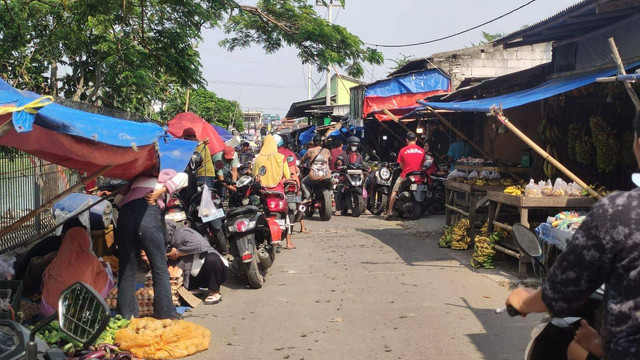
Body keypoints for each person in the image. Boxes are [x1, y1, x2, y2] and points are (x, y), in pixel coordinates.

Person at [506, 111, 640, 360]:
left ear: (637, 143)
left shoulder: (619, 212)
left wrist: (523, 301)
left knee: (572, 349)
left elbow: (563, 290)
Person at [115, 170, 188, 319]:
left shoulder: (135, 179)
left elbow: (117, 200)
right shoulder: (166, 173)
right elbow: (184, 177)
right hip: (147, 213)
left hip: (125, 218)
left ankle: (127, 316)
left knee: (127, 269)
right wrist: (159, 192)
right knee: (159, 267)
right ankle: (166, 313)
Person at [41, 223, 114, 316]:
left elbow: (44, 279)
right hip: (76, 313)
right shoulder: (90, 259)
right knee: (103, 275)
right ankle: (98, 298)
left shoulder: (57, 259)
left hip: (49, 311)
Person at [165, 222, 228, 305]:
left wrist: (177, 253)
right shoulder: (167, 242)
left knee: (212, 259)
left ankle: (215, 292)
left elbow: (198, 245)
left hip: (215, 269)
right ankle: (194, 288)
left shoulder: (183, 233)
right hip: (195, 271)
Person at [253, 135, 295, 250]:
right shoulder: (281, 157)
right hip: (279, 191)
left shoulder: (258, 159)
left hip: (263, 192)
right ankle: (289, 241)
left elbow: (254, 176)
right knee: (288, 212)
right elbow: (287, 175)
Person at [386, 132, 425, 220]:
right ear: (416, 139)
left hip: (405, 175)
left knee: (394, 191)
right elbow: (422, 164)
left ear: (406, 140)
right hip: (419, 176)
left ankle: (390, 211)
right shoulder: (422, 151)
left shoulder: (403, 150)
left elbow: (401, 166)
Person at [275, 135, 309, 234]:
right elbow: (296, 169)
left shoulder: (273, 155)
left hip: (279, 183)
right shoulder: (290, 154)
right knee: (299, 201)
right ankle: (303, 227)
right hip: (293, 182)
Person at [334, 136, 365, 216]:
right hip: (345, 176)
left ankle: (364, 207)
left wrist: (366, 167)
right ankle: (338, 209)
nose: (354, 147)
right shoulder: (343, 154)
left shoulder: (360, 156)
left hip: (356, 176)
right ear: (349, 145)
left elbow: (362, 164)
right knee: (340, 189)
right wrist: (339, 163)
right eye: (352, 145)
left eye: (355, 145)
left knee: (363, 189)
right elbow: (338, 162)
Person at [299, 134, 332, 202]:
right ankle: (332, 196)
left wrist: (299, 163)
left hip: (314, 175)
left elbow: (302, 160)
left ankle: (308, 196)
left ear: (313, 142)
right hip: (327, 175)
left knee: (303, 182)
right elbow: (330, 160)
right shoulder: (327, 151)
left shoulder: (310, 151)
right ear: (321, 142)